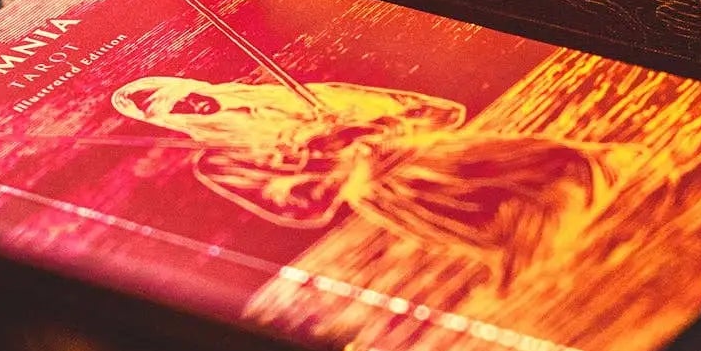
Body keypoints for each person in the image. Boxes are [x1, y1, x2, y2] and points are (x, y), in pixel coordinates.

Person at [111, 74, 657, 283]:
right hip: (394, 195)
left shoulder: (305, 93)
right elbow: (302, 209)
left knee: (572, 170)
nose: (193, 105)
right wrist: (318, 164)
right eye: (174, 110)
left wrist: (358, 127)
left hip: (440, 154)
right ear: (164, 122)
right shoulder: (221, 163)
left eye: (185, 91)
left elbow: (438, 111)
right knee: (517, 240)